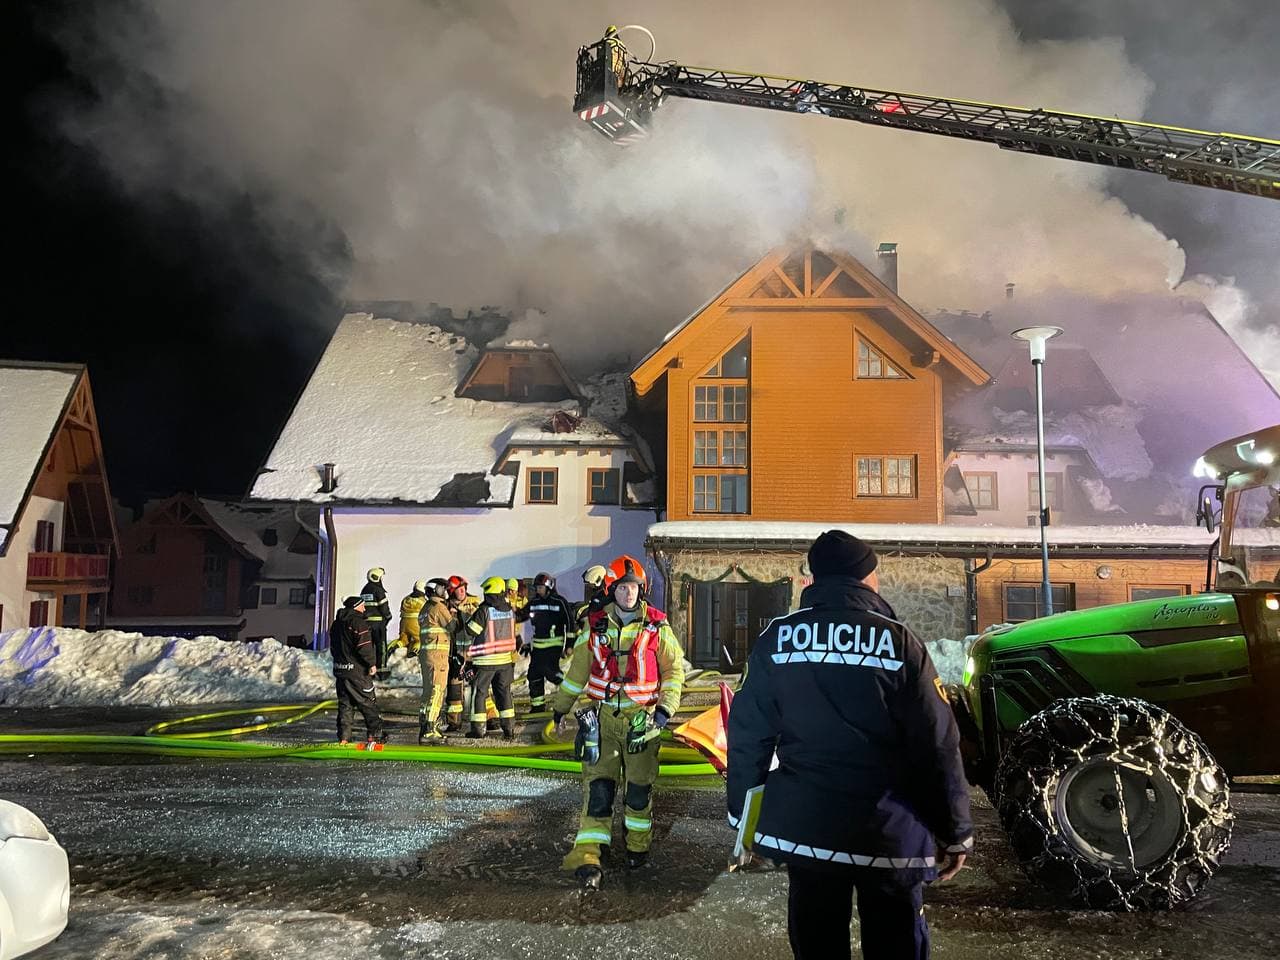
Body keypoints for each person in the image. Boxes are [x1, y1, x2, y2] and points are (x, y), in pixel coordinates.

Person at [727, 530, 972, 960]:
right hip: (888, 835)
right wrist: (955, 832)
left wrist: (742, 819)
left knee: (817, 945)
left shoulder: (777, 639)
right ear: (865, 578)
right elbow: (937, 744)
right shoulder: (899, 642)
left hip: (808, 834)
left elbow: (748, 735)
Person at [552, 555, 685, 888]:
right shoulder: (594, 625)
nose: (629, 593)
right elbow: (577, 673)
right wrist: (560, 708)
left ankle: (637, 848)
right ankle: (590, 856)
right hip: (603, 722)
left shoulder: (657, 626)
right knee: (598, 790)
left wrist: (664, 710)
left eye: (634, 587)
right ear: (612, 590)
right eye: (623, 588)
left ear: (642, 589)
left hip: (643, 723)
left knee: (638, 792)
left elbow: (673, 671)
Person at [460, 576, 520, 739]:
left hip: (485, 662)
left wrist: (466, 617)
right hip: (505, 661)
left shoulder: (484, 610)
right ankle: (509, 729)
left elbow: (471, 630)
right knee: (504, 693)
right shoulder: (509, 610)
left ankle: (478, 729)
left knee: (479, 693)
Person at [330, 596, 384, 745]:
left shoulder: (337, 624)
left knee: (345, 705)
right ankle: (375, 736)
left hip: (341, 670)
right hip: (358, 672)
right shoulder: (358, 623)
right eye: (363, 606)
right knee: (368, 703)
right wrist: (371, 663)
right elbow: (364, 647)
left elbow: (333, 647)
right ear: (356, 607)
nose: (364, 609)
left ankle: (344, 738)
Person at [525, 572, 575, 713]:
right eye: (537, 588)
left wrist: (569, 645)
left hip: (554, 645)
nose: (538, 590)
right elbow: (522, 615)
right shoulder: (534, 602)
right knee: (534, 674)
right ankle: (538, 706)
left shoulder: (559, 602)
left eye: (540, 587)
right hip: (537, 647)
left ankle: (569, 691)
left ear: (549, 587)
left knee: (551, 672)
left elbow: (570, 623)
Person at [417, 578, 457, 743]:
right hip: (437, 657)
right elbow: (452, 626)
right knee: (437, 691)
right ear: (436, 590)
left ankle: (425, 725)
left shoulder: (425, 608)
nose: (445, 592)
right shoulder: (439, 607)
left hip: (427, 656)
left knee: (428, 692)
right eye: (442, 589)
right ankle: (430, 730)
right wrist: (455, 613)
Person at [360, 567, 393, 678]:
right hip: (378, 625)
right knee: (381, 647)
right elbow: (384, 608)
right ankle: (382, 671)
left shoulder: (364, 590)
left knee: (369, 648)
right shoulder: (378, 590)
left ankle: (370, 671)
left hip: (366, 624)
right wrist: (388, 617)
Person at [388, 579, 428, 660]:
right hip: (415, 623)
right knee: (419, 639)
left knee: (403, 640)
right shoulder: (423, 601)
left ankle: (394, 646)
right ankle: (414, 651)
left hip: (403, 622)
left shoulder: (406, 599)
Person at [575, 564, 611, 632]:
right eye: (587, 587)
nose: (587, 591)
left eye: (590, 587)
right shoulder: (579, 609)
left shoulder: (612, 608)